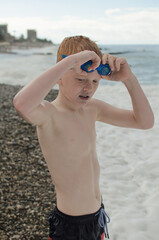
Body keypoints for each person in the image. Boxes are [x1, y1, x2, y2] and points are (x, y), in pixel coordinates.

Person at [13, 35, 154, 240]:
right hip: (70, 225)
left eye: (95, 81)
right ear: (59, 76)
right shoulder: (49, 114)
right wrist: (70, 62)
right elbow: (21, 103)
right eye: (80, 79)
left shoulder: (92, 109)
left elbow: (144, 122)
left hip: (97, 218)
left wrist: (129, 79)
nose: (88, 88)